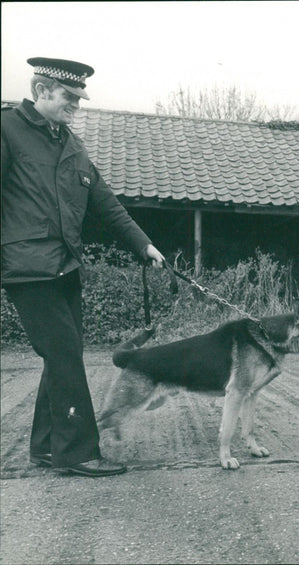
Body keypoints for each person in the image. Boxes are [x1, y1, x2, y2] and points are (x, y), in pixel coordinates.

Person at [1, 57, 166, 477]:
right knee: (64, 353)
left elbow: (107, 204)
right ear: (41, 91)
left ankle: (45, 447)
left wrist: (144, 244)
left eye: (79, 99)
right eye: (69, 98)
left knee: (62, 355)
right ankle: (76, 453)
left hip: (65, 268)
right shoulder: (7, 130)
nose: (76, 106)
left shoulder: (72, 145)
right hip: (26, 267)